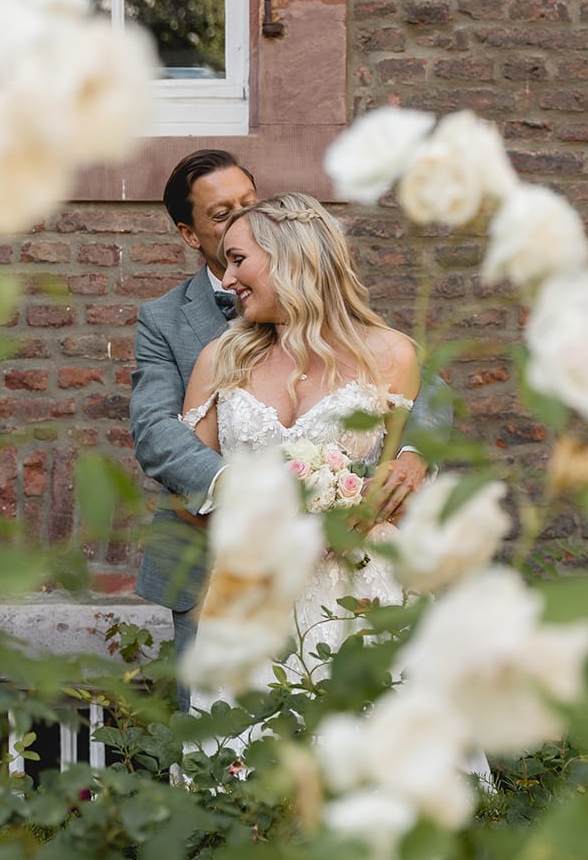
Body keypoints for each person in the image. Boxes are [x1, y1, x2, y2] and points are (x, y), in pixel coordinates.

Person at [129, 154, 446, 707]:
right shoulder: (184, 332)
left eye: (249, 206)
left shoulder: (375, 345)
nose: (240, 220)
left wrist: (413, 456)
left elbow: (428, 394)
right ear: (188, 232)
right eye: (222, 213)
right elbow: (157, 432)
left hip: (357, 584)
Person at [178, 192, 418, 698]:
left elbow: (402, 474)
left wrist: (388, 485)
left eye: (239, 260)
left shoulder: (391, 355)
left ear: (291, 256)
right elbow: (190, 491)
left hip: (359, 593)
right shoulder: (219, 359)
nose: (226, 280)